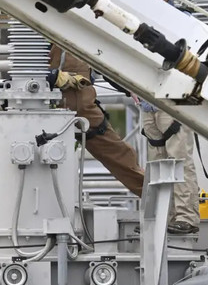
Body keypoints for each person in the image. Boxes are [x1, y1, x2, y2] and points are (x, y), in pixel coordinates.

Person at [136, 0, 200, 235]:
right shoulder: (140, 19)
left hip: (173, 101)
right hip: (149, 100)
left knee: (178, 159)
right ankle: (163, 219)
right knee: (157, 163)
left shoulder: (182, 21)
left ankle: (186, 217)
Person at [48, 45, 145, 198]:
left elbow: (102, 60)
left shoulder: (73, 38)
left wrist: (128, 87)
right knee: (120, 155)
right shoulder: (65, 36)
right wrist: (52, 76)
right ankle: (158, 197)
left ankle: (156, 196)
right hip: (62, 109)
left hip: (74, 111)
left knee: (120, 155)